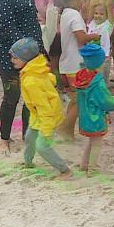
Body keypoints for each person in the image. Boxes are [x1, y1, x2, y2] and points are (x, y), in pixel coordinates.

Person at [0, 0, 68, 154]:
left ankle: (28, 136)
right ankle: (4, 139)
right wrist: (29, 49)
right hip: (10, 51)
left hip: (32, 46)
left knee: (32, 96)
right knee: (13, 95)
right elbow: (7, 27)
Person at [10, 38, 72, 179]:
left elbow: (45, 108)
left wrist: (46, 128)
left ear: (26, 59)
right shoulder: (34, 70)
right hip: (38, 114)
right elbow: (50, 79)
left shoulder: (32, 81)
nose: (11, 60)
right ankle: (28, 163)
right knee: (30, 137)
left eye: (15, 57)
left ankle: (65, 170)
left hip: (47, 116)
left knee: (42, 146)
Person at [56, 0, 101, 141]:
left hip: (67, 64)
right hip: (76, 64)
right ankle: (63, 128)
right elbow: (81, 38)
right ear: (75, 0)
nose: (84, 2)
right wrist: (94, 36)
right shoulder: (74, 15)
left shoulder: (65, 13)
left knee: (75, 99)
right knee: (81, 100)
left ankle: (67, 131)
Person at [73, 43, 114, 173]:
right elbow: (105, 101)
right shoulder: (97, 83)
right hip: (95, 117)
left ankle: (84, 164)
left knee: (91, 141)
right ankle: (93, 168)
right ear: (98, 62)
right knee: (96, 143)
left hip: (85, 116)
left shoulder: (80, 77)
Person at [86, 3, 113, 82]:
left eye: (102, 14)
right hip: (92, 55)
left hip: (104, 56)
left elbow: (109, 5)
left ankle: (103, 90)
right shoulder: (92, 24)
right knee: (93, 76)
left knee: (102, 77)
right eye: (96, 13)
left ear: (106, 16)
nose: (98, 16)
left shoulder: (107, 25)